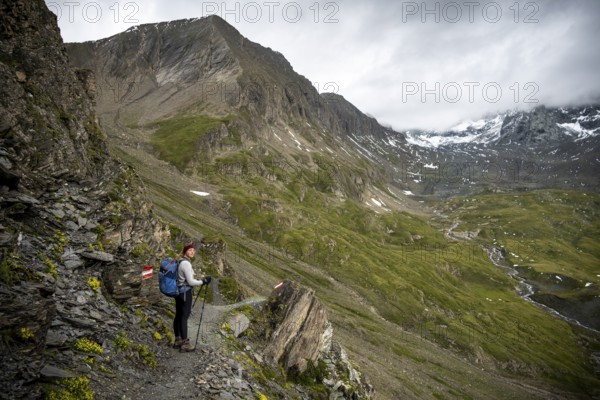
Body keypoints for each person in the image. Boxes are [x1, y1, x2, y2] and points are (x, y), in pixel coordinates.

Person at [173, 242, 211, 352]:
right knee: (184, 317)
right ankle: (185, 343)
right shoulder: (186, 264)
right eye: (190, 250)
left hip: (178, 292)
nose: (192, 252)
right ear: (185, 251)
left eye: (193, 250)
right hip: (185, 293)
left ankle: (177, 340)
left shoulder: (179, 261)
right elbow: (190, 281)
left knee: (179, 315)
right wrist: (203, 281)